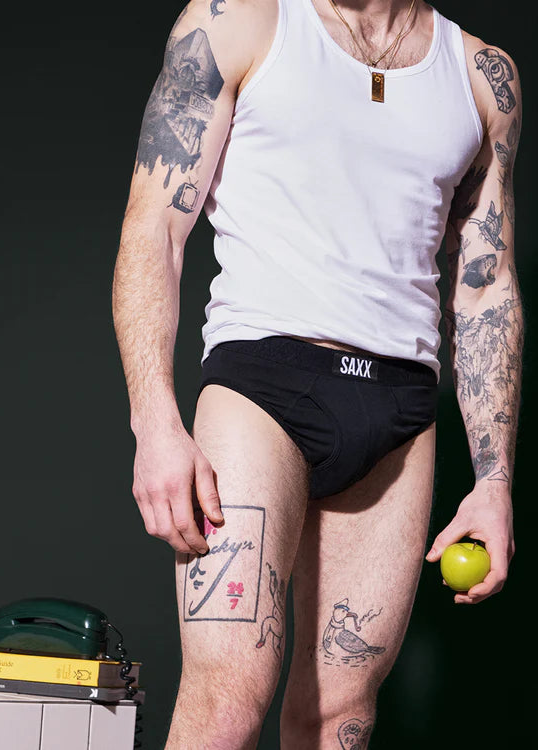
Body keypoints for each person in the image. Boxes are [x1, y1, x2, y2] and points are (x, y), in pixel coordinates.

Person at [111, 0, 523, 747]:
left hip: (398, 414)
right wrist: (155, 421)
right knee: (228, 698)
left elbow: (486, 288)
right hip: (263, 389)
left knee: (340, 718)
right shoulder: (240, 20)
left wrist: (493, 482)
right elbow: (155, 229)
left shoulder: (481, 75)